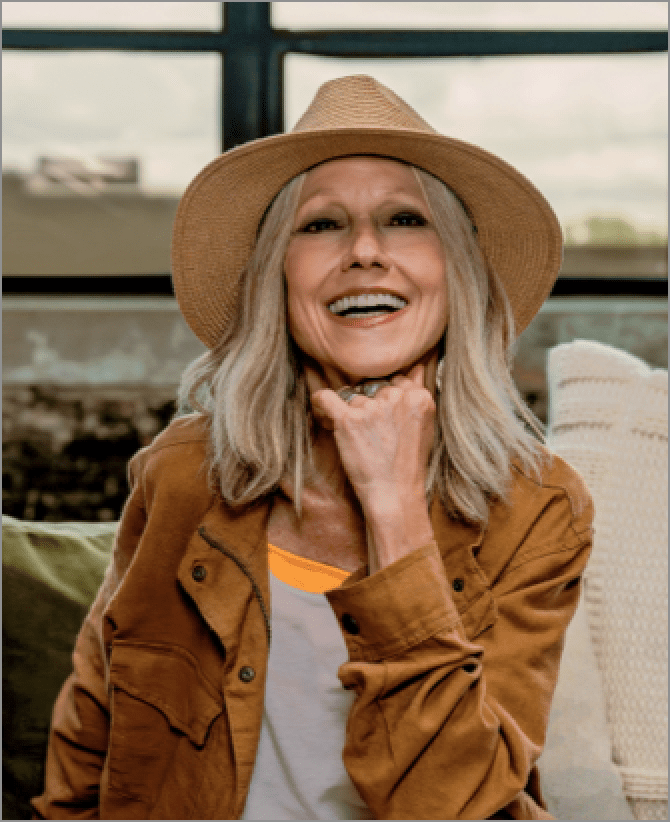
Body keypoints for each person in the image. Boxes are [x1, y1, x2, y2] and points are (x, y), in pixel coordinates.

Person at [32, 75, 593, 820]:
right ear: (278, 280)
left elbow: (455, 804)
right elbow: (89, 741)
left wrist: (392, 506)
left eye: (403, 218)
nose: (365, 251)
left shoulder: (540, 507)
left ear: (456, 275)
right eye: (321, 225)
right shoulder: (182, 474)